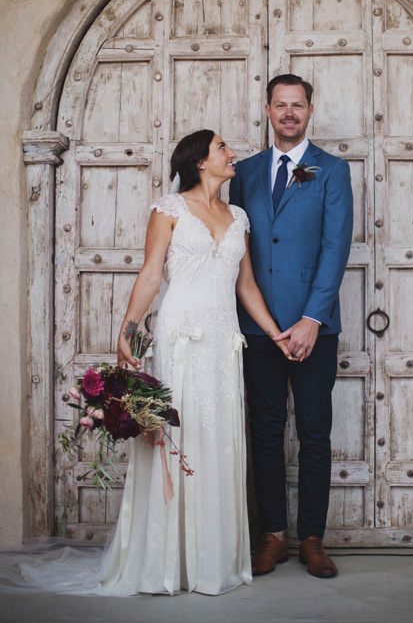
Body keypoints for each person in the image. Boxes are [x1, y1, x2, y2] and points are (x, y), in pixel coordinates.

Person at [105, 129, 293, 596]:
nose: (232, 154)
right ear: (200, 162)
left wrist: (275, 335)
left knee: (219, 439)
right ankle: (168, 562)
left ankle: (212, 559)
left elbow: (246, 285)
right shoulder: (168, 210)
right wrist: (127, 329)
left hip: (222, 343)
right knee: (179, 434)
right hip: (181, 335)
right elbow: (151, 274)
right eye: (222, 148)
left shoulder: (238, 216)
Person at [229, 74, 353, 579]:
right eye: (280, 105)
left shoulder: (332, 170)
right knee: (264, 431)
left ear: (310, 111)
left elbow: (335, 247)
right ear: (266, 109)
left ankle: (312, 539)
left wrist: (310, 319)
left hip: (313, 329)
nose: (288, 114)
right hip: (258, 329)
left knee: (315, 433)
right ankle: (273, 536)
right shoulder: (244, 172)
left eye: (297, 106)